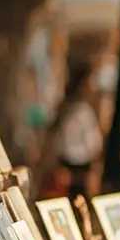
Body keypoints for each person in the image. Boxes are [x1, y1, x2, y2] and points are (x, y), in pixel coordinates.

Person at [50, 66, 103, 203]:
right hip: (74, 166)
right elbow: (94, 143)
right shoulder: (80, 111)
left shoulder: (76, 109)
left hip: (75, 165)